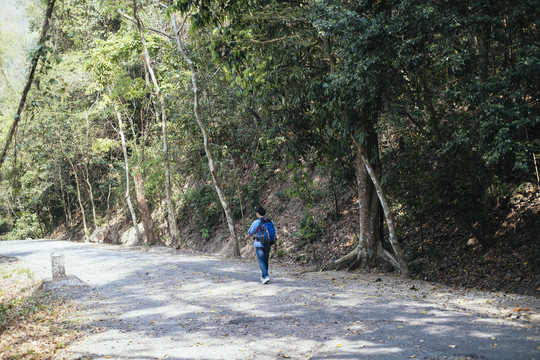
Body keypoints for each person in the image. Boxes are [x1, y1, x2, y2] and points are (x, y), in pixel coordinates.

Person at [244, 206, 277, 284]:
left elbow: (250, 233)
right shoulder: (270, 221)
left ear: (258, 213)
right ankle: (263, 277)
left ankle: (265, 276)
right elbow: (275, 233)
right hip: (268, 244)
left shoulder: (256, 222)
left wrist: (245, 238)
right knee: (266, 260)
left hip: (259, 244)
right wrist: (276, 245)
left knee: (261, 261)